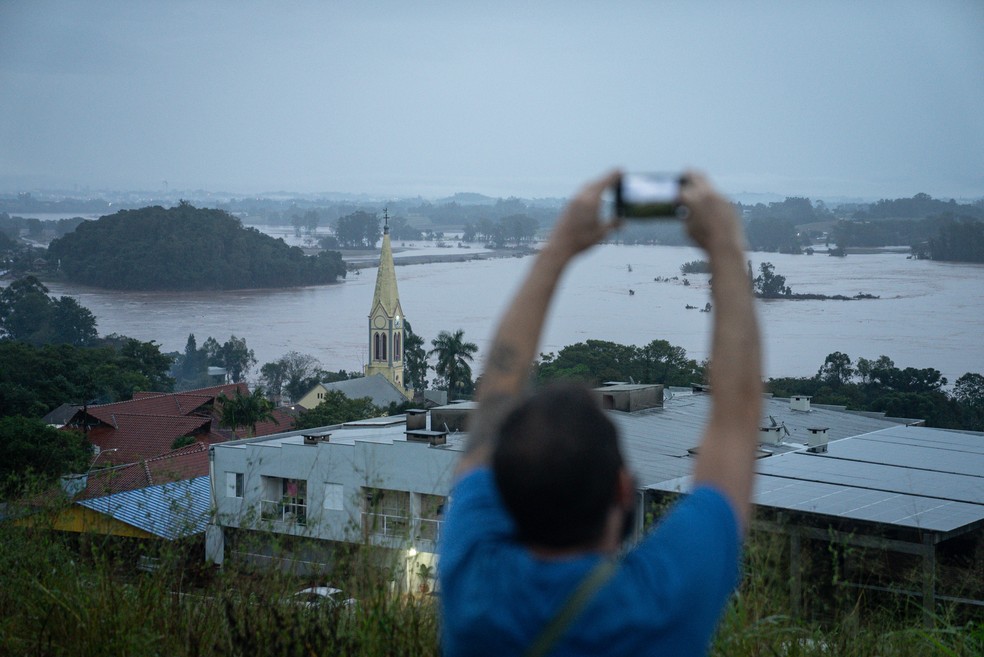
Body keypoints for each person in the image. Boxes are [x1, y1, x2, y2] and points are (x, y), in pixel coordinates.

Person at [438, 170, 762, 657]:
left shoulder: (473, 589)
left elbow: (497, 392)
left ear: (500, 493)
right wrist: (725, 246)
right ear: (623, 491)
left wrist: (557, 249)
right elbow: (736, 419)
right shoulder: (661, 605)